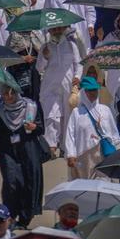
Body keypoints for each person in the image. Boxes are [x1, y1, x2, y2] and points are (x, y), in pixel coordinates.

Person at [0, 86, 46, 229]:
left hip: (28, 148)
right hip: (7, 150)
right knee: (11, 182)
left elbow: (41, 128)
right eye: (5, 94)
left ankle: (24, 218)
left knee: (28, 182)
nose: (8, 97)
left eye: (11, 93)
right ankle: (10, 215)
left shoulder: (31, 107)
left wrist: (34, 126)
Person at [37, 25, 84, 153]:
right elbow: (39, 68)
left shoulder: (71, 45)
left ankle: (65, 147)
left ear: (63, 30)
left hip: (68, 86)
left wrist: (77, 77)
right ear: (50, 31)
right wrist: (44, 57)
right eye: (54, 29)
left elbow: (78, 64)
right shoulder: (45, 47)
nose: (57, 31)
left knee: (68, 117)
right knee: (51, 115)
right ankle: (51, 146)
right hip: (50, 86)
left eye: (59, 29)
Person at [64, 76, 120, 179]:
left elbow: (114, 133)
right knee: (83, 185)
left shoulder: (105, 110)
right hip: (83, 155)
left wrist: (116, 152)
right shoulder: (76, 113)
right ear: (83, 92)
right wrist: (71, 154)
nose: (93, 93)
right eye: (89, 90)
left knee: (103, 183)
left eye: (94, 90)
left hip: (103, 153)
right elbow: (70, 135)